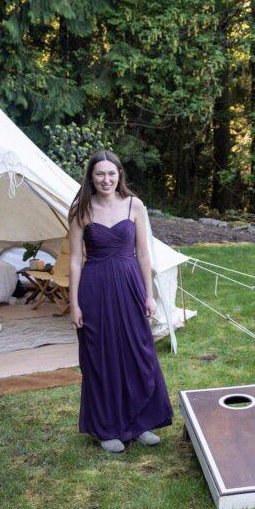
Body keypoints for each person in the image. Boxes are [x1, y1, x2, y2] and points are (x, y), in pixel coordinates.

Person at [67, 150, 172, 453]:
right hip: (95, 287)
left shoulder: (134, 205)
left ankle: (139, 422)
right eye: (100, 174)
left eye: (111, 173)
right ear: (91, 177)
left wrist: (149, 294)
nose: (106, 179)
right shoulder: (80, 210)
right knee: (101, 357)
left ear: (119, 175)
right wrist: (74, 304)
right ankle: (106, 428)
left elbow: (143, 253)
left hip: (129, 286)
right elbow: (75, 260)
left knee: (137, 352)